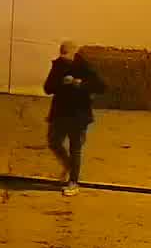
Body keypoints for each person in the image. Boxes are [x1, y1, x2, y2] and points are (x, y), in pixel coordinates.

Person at [43, 41, 105, 195]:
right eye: (62, 54)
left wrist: (81, 84)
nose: (64, 58)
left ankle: (73, 182)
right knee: (54, 142)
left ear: (74, 53)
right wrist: (60, 82)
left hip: (79, 114)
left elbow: (102, 87)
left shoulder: (85, 67)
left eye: (67, 55)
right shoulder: (58, 66)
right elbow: (48, 88)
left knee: (75, 148)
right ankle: (70, 165)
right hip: (60, 113)